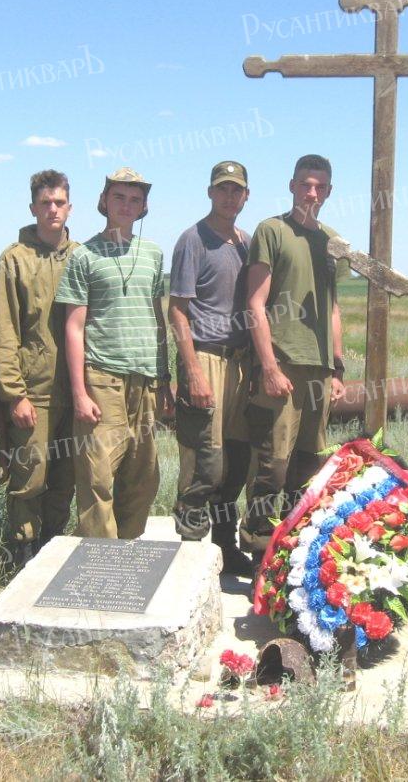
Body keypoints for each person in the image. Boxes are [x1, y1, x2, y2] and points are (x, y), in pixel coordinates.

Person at [56, 167, 172, 539]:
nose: (126, 205)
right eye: (119, 197)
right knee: (97, 474)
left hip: (146, 379)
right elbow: (74, 327)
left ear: (143, 207)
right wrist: (79, 392)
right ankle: (100, 558)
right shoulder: (84, 256)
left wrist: (165, 378)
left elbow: (158, 318)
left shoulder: (153, 254)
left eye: (135, 199)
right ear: (104, 201)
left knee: (143, 474)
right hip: (102, 376)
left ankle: (127, 550)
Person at [241, 153, 345, 561]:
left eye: (319, 186)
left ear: (329, 192)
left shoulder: (332, 242)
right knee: (273, 466)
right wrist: (268, 366)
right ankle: (259, 551)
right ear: (292, 186)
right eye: (305, 184)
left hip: (319, 370)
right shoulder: (272, 230)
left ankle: (297, 552)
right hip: (282, 365)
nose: (311, 193)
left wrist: (337, 368)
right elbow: (255, 302)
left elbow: (333, 308)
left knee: (310, 467)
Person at [168, 160, 253, 575]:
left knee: (235, 460)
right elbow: (177, 310)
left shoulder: (246, 243)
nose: (229, 197)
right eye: (222, 189)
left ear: (246, 196)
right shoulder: (193, 240)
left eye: (236, 190)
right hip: (205, 356)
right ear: (210, 192)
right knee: (205, 460)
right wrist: (193, 372)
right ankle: (189, 553)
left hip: (240, 362)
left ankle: (225, 546)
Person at [0, 170, 78, 568]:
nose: (52, 210)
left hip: (76, 390)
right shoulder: (14, 260)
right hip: (34, 391)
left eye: (59, 202)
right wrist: (15, 394)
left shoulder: (81, 256)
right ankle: (20, 557)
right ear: (33, 208)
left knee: (65, 478)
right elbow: (5, 330)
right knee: (30, 477)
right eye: (45, 203)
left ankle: (52, 552)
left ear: (70, 207)